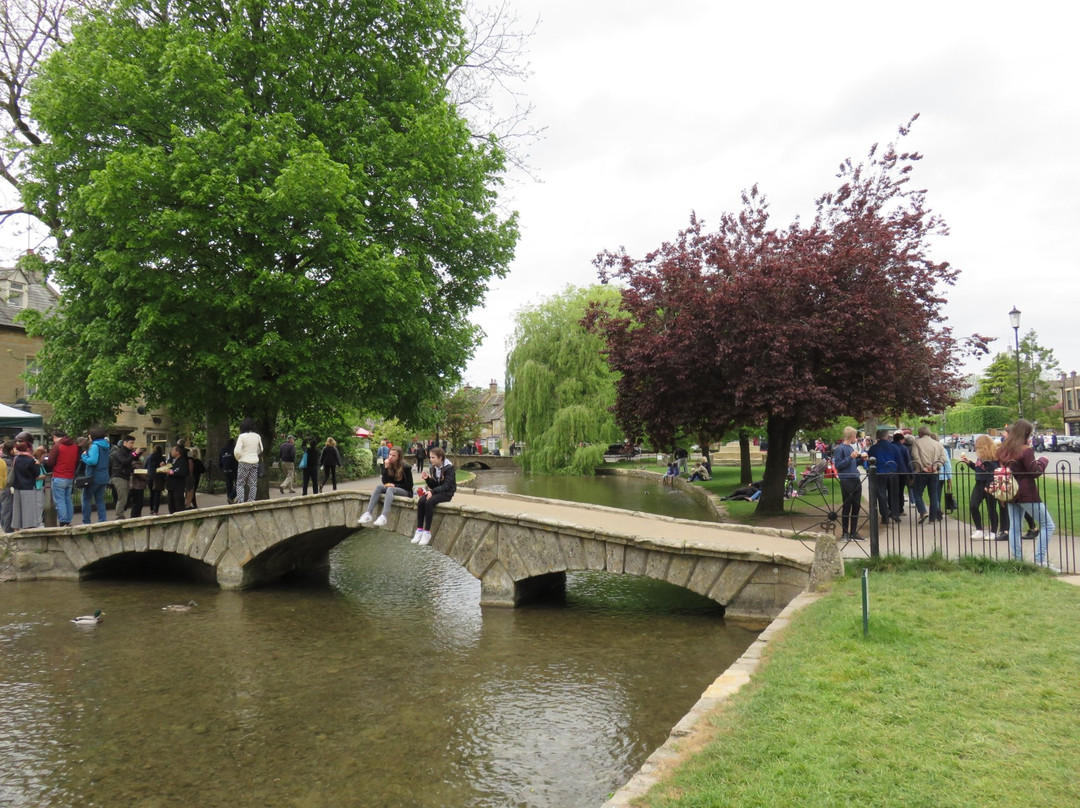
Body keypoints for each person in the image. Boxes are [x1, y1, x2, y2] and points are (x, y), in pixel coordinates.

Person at [998, 419, 1055, 569]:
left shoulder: (1004, 449)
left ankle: (1018, 561)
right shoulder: (1026, 450)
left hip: (1010, 492)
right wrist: (1043, 460)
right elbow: (1034, 472)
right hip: (1026, 492)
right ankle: (1039, 560)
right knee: (1048, 525)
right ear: (1026, 433)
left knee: (1015, 527)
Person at [959, 436, 1005, 540]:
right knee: (973, 505)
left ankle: (993, 531)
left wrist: (989, 485)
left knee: (991, 509)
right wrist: (970, 463)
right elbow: (979, 469)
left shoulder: (994, 457)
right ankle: (979, 529)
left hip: (990, 485)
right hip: (979, 484)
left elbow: (994, 472)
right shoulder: (981, 457)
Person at [358, 446, 414, 527]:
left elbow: (409, 485)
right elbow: (385, 482)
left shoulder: (406, 467)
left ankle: (384, 516)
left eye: (393, 455)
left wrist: (395, 485)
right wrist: (386, 468)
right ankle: (368, 514)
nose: (390, 457)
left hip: (405, 491)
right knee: (379, 487)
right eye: (390, 454)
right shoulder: (388, 464)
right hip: (392, 488)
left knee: (390, 489)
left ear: (399, 457)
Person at [413, 447, 455, 546]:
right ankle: (419, 530)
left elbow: (447, 486)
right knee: (421, 501)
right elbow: (435, 485)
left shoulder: (449, 468)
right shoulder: (434, 468)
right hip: (438, 491)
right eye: (430, 457)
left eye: (433, 457)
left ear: (440, 458)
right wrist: (427, 479)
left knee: (429, 502)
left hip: (447, 493)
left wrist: (433, 491)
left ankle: (427, 532)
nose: (430, 459)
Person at [833, 426, 865, 540]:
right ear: (852, 436)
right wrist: (850, 457)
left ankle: (853, 532)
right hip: (846, 480)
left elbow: (853, 464)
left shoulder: (851, 448)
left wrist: (861, 460)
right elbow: (838, 465)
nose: (855, 438)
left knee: (856, 506)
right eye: (855, 436)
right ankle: (845, 533)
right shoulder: (840, 449)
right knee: (847, 506)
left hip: (855, 478)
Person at [909, 426, 946, 524]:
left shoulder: (916, 442)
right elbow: (943, 457)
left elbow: (915, 456)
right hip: (934, 472)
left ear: (920, 433)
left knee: (917, 493)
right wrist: (936, 466)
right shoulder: (938, 444)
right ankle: (932, 519)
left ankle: (923, 511)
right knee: (933, 495)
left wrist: (922, 467)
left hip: (922, 472)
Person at [45, 429, 80, 527]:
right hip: (70, 477)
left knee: (60, 500)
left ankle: (63, 521)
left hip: (59, 475)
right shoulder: (74, 447)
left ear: (55, 437)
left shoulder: (57, 446)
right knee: (68, 499)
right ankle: (68, 520)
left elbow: (50, 462)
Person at [866, 429, 902, 523]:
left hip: (879, 472)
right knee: (893, 493)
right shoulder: (894, 447)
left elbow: (869, 461)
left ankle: (885, 515)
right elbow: (899, 460)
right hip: (892, 472)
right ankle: (895, 513)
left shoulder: (873, 448)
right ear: (887, 436)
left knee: (881, 494)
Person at [80, 428, 112, 524]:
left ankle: (86, 521)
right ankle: (102, 520)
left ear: (93, 436)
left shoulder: (95, 446)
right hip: (104, 476)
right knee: (99, 499)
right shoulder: (106, 445)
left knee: (86, 498)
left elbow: (93, 461)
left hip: (93, 477)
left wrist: (84, 456)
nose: (89, 437)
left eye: (90, 435)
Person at [11, 435, 42, 530]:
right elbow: (36, 474)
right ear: (28, 448)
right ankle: (27, 527)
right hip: (28, 486)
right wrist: (37, 465)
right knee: (28, 509)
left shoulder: (15, 459)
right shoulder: (31, 460)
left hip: (17, 486)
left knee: (17, 509)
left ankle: (16, 527)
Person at [233, 417, 263, 503]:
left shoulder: (242, 436)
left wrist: (239, 458)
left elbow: (237, 451)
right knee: (253, 483)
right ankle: (251, 500)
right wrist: (254, 454)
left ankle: (241, 501)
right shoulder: (257, 436)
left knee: (240, 483)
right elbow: (261, 449)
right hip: (254, 461)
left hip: (244, 461)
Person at [109, 435, 137, 519]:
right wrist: (134, 454)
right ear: (125, 442)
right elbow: (125, 462)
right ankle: (119, 515)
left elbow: (131, 461)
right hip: (119, 476)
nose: (132, 445)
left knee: (125, 497)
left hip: (125, 476)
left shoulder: (128, 452)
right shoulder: (120, 452)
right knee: (122, 498)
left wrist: (136, 454)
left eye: (133, 443)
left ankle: (121, 514)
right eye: (131, 443)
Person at [163, 443, 189, 514]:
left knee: (178, 506)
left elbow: (182, 473)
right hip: (171, 487)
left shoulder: (182, 462)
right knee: (171, 506)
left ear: (177, 452)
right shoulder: (172, 461)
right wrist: (164, 467)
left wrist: (171, 472)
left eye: (173, 450)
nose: (171, 452)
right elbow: (170, 469)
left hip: (178, 487)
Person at [145, 445, 166, 515]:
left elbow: (145, 467)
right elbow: (164, 468)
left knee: (152, 493)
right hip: (158, 478)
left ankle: (151, 508)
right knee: (157, 494)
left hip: (150, 477)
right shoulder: (162, 458)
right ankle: (156, 509)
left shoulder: (149, 457)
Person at [128, 448, 148, 518]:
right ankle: (135, 516)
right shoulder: (136, 463)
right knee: (138, 502)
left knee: (138, 502)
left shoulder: (135, 462)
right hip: (137, 485)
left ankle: (136, 515)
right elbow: (141, 474)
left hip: (136, 485)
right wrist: (146, 476)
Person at [219, 439, 238, 504]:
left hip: (226, 470)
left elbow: (220, 461)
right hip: (234, 469)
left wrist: (223, 468)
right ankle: (231, 497)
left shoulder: (222, 450)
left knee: (229, 485)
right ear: (233, 443)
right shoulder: (234, 449)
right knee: (239, 484)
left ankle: (229, 500)